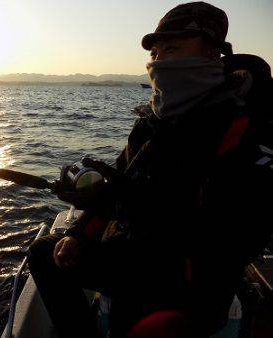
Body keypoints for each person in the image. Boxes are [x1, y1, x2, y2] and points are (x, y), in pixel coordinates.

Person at [28, 2, 272, 337]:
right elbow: (120, 182)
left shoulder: (243, 127)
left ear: (213, 53)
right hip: (134, 255)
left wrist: (125, 203)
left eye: (171, 49)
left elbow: (237, 239)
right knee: (44, 253)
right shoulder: (151, 122)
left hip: (191, 282)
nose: (158, 62)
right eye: (154, 53)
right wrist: (79, 231)